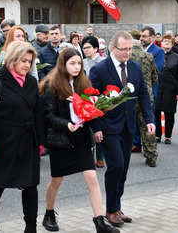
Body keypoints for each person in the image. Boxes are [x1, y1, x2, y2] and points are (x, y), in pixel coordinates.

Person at [39, 48, 119, 233]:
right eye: (72, 63)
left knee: (92, 178)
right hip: (61, 140)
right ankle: (48, 214)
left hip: (81, 138)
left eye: (79, 63)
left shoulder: (84, 83)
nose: (76, 67)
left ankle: (99, 222)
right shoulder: (53, 85)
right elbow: (48, 116)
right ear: (63, 64)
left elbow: (91, 111)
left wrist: (97, 123)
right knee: (56, 180)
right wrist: (66, 124)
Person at [89, 31, 155, 227]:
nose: (128, 53)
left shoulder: (134, 67)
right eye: (124, 49)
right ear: (112, 48)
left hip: (128, 127)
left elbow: (142, 94)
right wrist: (96, 127)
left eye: (130, 49)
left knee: (123, 169)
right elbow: (92, 101)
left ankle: (116, 207)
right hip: (107, 127)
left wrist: (150, 119)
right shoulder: (100, 69)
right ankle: (110, 210)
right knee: (116, 166)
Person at [0, 41, 44, 233]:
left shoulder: (32, 82)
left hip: (27, 140)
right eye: (23, 61)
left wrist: (40, 141)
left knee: (30, 186)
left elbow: (37, 113)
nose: (27, 65)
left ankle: (30, 227)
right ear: (13, 59)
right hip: (4, 141)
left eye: (30, 62)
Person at [128, 30, 158, 167]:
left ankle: (123, 153)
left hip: (128, 95)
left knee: (126, 125)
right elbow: (154, 77)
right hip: (145, 95)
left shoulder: (125, 55)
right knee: (148, 125)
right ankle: (151, 155)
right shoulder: (148, 56)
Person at [155, 34, 178, 145]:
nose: (166, 43)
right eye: (164, 41)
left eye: (169, 41)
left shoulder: (176, 57)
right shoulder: (157, 55)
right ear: (161, 43)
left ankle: (168, 136)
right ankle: (157, 135)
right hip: (157, 88)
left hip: (170, 89)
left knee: (169, 113)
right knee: (156, 112)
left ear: (172, 44)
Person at [82, 36, 106, 168]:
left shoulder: (103, 62)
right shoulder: (82, 62)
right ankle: (88, 157)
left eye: (88, 47)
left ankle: (100, 157)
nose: (86, 50)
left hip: (100, 98)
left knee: (99, 128)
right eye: (84, 48)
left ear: (96, 48)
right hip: (86, 97)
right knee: (88, 128)